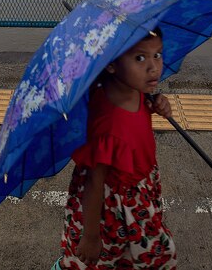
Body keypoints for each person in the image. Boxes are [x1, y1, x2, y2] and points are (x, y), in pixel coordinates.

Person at [53, 29, 177, 269]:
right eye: (140, 58)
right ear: (111, 65)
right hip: (117, 202)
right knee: (145, 256)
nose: (153, 67)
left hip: (140, 183)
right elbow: (93, 182)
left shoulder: (136, 89)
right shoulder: (108, 125)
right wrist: (90, 236)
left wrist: (159, 102)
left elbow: (142, 109)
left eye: (158, 55)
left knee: (122, 257)